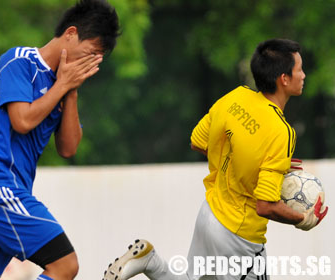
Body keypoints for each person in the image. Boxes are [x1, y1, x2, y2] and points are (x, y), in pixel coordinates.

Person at [102, 39, 328, 280]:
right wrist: (303, 218)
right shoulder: (281, 131)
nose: (303, 75)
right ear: (284, 78)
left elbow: (198, 142)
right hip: (239, 237)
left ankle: (150, 261)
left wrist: (254, 164)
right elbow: (265, 205)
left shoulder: (236, 98)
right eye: (299, 69)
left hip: (210, 214)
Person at [0, 1, 120, 279]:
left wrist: (71, 91)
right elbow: (22, 121)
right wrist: (62, 85)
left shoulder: (63, 83)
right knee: (65, 264)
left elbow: (68, 148)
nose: (92, 62)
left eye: (98, 58)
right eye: (91, 52)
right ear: (70, 33)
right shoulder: (19, 61)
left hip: (3, 193)